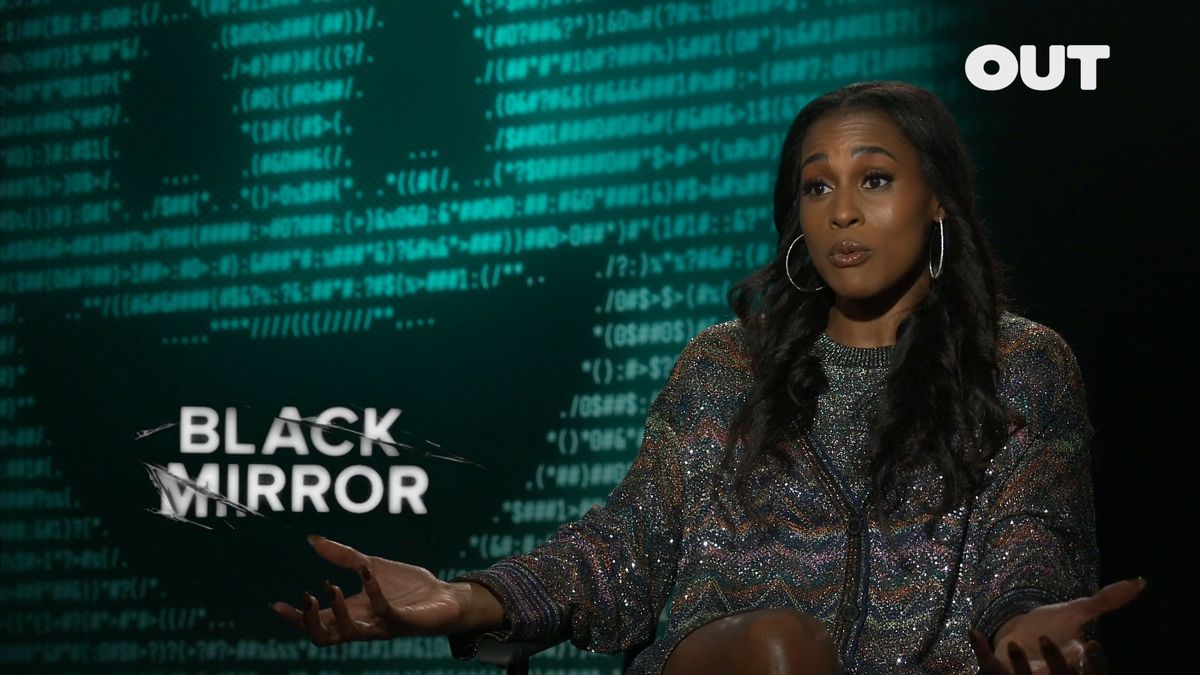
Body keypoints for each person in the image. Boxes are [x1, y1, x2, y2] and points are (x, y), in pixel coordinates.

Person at [270, 81, 1144, 674]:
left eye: (875, 179)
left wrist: (1030, 620)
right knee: (780, 647)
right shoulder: (726, 364)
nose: (842, 211)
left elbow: (1033, 538)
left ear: (938, 198)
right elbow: (627, 543)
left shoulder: (1022, 362)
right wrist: (466, 598)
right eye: (817, 188)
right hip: (726, 658)